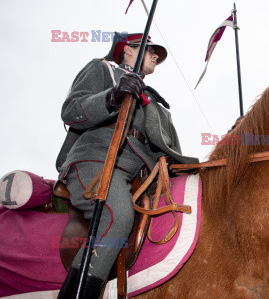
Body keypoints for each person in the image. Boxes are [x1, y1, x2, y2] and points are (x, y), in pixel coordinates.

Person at [56, 32, 198, 298]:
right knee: (117, 216)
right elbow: (71, 110)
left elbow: (167, 150)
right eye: (150, 50)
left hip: (142, 174)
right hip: (96, 161)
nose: (156, 56)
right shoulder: (103, 69)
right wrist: (112, 96)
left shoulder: (154, 101)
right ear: (128, 51)